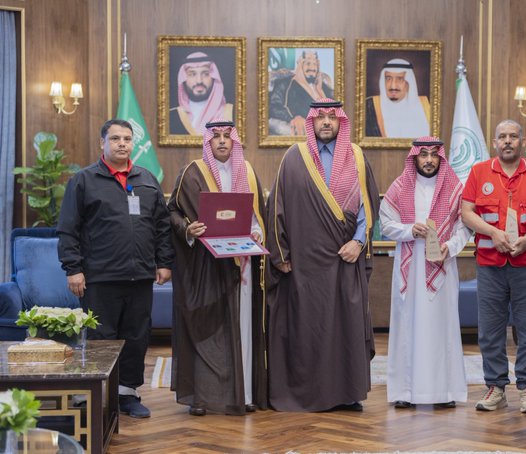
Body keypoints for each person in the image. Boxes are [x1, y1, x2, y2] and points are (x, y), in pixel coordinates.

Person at [266, 98, 380, 412]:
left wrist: (358, 242)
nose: (326, 122)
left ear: (341, 121)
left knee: (346, 326)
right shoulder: (294, 157)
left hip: (345, 260)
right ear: (311, 121)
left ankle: (346, 394)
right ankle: (306, 394)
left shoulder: (356, 157)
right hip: (304, 265)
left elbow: (368, 206)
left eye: (332, 116)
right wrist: (281, 254)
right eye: (321, 117)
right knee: (307, 327)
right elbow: (276, 207)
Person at [57, 119, 174, 418]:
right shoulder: (83, 180)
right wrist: (73, 268)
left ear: (133, 143)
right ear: (102, 143)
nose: (122, 143)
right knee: (101, 338)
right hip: (99, 278)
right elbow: (68, 228)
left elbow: (162, 226)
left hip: (140, 277)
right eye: (115, 138)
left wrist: (164, 262)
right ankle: (98, 394)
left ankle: (127, 395)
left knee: (136, 337)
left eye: (127, 139)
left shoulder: (147, 179)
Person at [167, 120, 268, 416]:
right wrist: (187, 229)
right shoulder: (192, 172)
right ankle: (202, 397)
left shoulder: (246, 171)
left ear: (234, 141)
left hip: (241, 264)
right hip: (204, 266)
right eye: (216, 137)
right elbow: (172, 211)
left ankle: (244, 394)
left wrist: (257, 232)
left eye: (227, 136)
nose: (222, 141)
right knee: (207, 329)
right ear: (207, 142)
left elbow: (256, 216)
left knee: (242, 327)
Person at [461, 119, 526, 414]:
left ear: (522, 142)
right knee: (490, 329)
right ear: (494, 142)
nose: (507, 141)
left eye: (513, 136)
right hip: (490, 264)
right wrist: (492, 233)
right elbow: (466, 212)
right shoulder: (479, 172)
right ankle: (495, 387)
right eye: (502, 136)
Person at [380, 137, 470, 409]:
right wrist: (409, 230)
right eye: (423, 154)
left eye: (433, 154)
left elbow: (464, 228)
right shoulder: (399, 187)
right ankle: (405, 392)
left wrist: (449, 247)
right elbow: (386, 224)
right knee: (407, 326)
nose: (429, 160)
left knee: (443, 327)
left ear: (441, 157)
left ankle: (444, 392)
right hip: (410, 267)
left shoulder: (455, 189)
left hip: (442, 265)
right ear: (415, 157)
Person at [269, 50, 334, 136]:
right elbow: (274, 106)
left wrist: (320, 91)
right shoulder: (285, 84)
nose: (312, 68)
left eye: (315, 64)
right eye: (308, 63)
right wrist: (293, 118)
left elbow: (336, 111)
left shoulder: (323, 86)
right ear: (300, 65)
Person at [170, 52, 234, 136]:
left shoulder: (232, 113)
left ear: (214, 77)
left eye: (206, 74)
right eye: (192, 74)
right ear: (183, 79)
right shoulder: (171, 116)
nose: (199, 81)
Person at [365, 58, 430, 138]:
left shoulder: (427, 106)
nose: (393, 86)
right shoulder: (368, 107)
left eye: (400, 79)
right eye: (388, 79)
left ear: (409, 82)